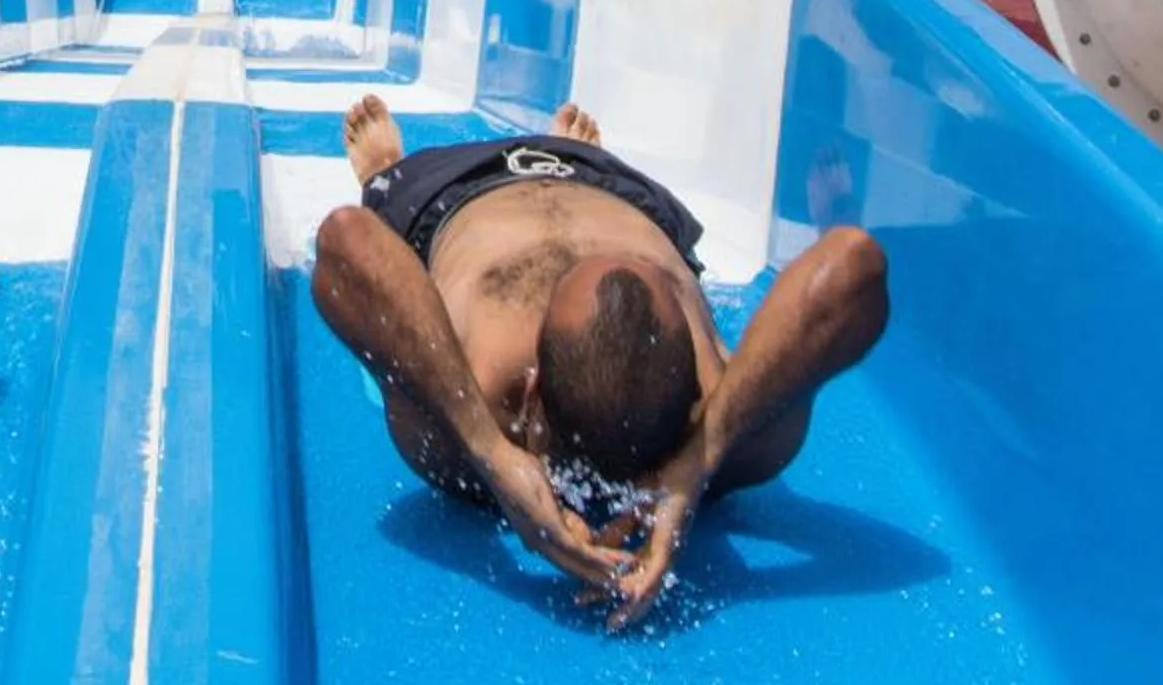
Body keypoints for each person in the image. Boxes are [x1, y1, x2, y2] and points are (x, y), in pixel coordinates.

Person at [314, 96, 887, 627]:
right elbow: (853, 260)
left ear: (531, 390)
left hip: (447, 191)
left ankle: (382, 172)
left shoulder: (472, 412)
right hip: (617, 191)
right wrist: (708, 450)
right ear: (701, 388)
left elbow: (349, 241)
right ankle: (575, 151)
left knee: (387, 204)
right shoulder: (737, 428)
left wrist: (489, 452)